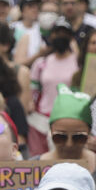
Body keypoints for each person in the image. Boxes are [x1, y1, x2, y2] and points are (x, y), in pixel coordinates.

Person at [27, 17, 80, 156]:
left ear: (71, 37)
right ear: (51, 36)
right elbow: (33, 90)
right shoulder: (41, 63)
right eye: (57, 33)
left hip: (70, 119)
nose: (60, 36)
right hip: (42, 120)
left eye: (64, 33)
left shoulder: (79, 63)